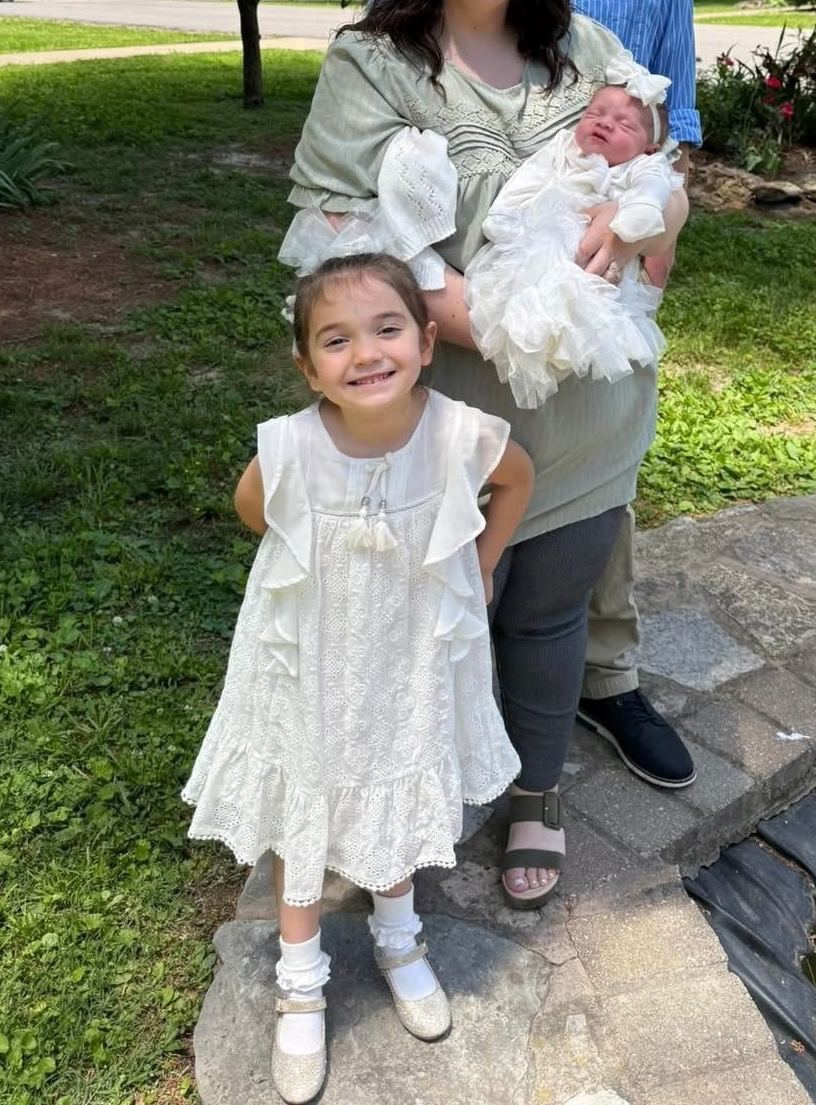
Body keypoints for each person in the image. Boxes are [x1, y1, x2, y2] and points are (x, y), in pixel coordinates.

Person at [292, 0, 690, 908]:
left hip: (591, 424)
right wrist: (508, 324)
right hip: (447, 431)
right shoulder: (373, 64)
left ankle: (536, 794)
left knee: (549, 621)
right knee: (433, 623)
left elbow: (664, 174)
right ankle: (416, 796)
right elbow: (339, 243)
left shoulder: (592, 52)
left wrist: (656, 216)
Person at [375, 0, 699, 790]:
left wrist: (654, 221)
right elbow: (389, 112)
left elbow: (678, 135)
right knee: (462, 523)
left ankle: (605, 678)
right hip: (463, 299)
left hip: (598, 280)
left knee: (592, 499)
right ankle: (445, 727)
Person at [182, 252, 534, 1103]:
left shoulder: (459, 433)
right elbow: (254, 510)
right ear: (308, 368)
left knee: (395, 775)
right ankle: (300, 979)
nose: (366, 353)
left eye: (386, 329)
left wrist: (483, 563)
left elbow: (517, 480)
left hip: (408, 652)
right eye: (336, 340)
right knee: (304, 792)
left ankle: (399, 936)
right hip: (310, 653)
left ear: (425, 342)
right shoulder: (291, 444)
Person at [464, 56, 683, 407]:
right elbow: (529, 179)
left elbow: (653, 190)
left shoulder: (643, 166)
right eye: (595, 114)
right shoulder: (564, 147)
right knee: (525, 295)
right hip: (541, 240)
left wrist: (636, 213)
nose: (605, 123)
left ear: (650, 148)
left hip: (603, 264)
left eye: (625, 125)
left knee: (593, 314)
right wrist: (506, 218)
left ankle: (570, 352)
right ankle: (534, 334)